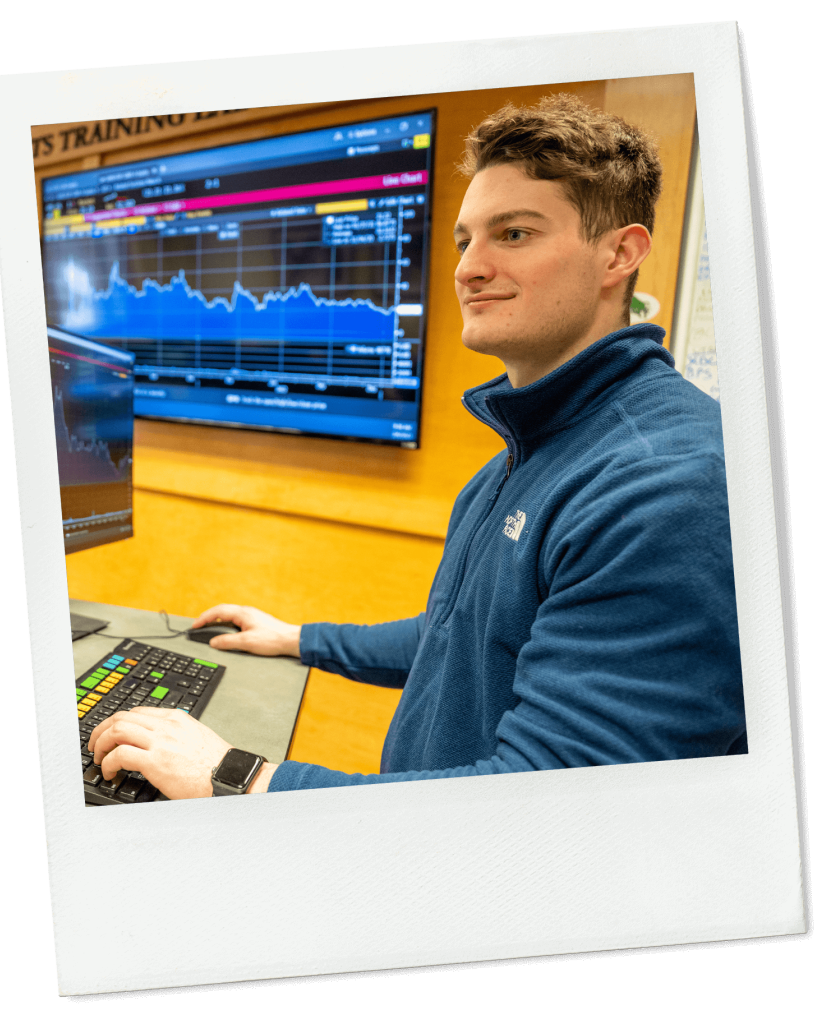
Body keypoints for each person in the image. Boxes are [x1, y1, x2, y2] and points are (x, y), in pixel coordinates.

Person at [88, 94, 746, 798]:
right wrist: (299, 637)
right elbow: (460, 638)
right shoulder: (533, 449)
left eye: (514, 234)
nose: (468, 268)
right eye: (466, 241)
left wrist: (233, 775)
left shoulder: (668, 484)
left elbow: (549, 809)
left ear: (621, 252)